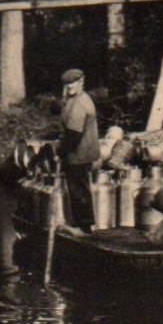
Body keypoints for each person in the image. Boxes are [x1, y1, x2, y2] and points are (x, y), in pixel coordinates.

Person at [57, 68, 99, 232]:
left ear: (81, 82)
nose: (69, 87)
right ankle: (83, 223)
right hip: (76, 151)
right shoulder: (73, 98)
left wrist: (60, 152)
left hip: (79, 152)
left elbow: (74, 134)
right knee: (78, 188)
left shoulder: (81, 103)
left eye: (72, 83)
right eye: (67, 84)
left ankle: (85, 226)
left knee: (79, 190)